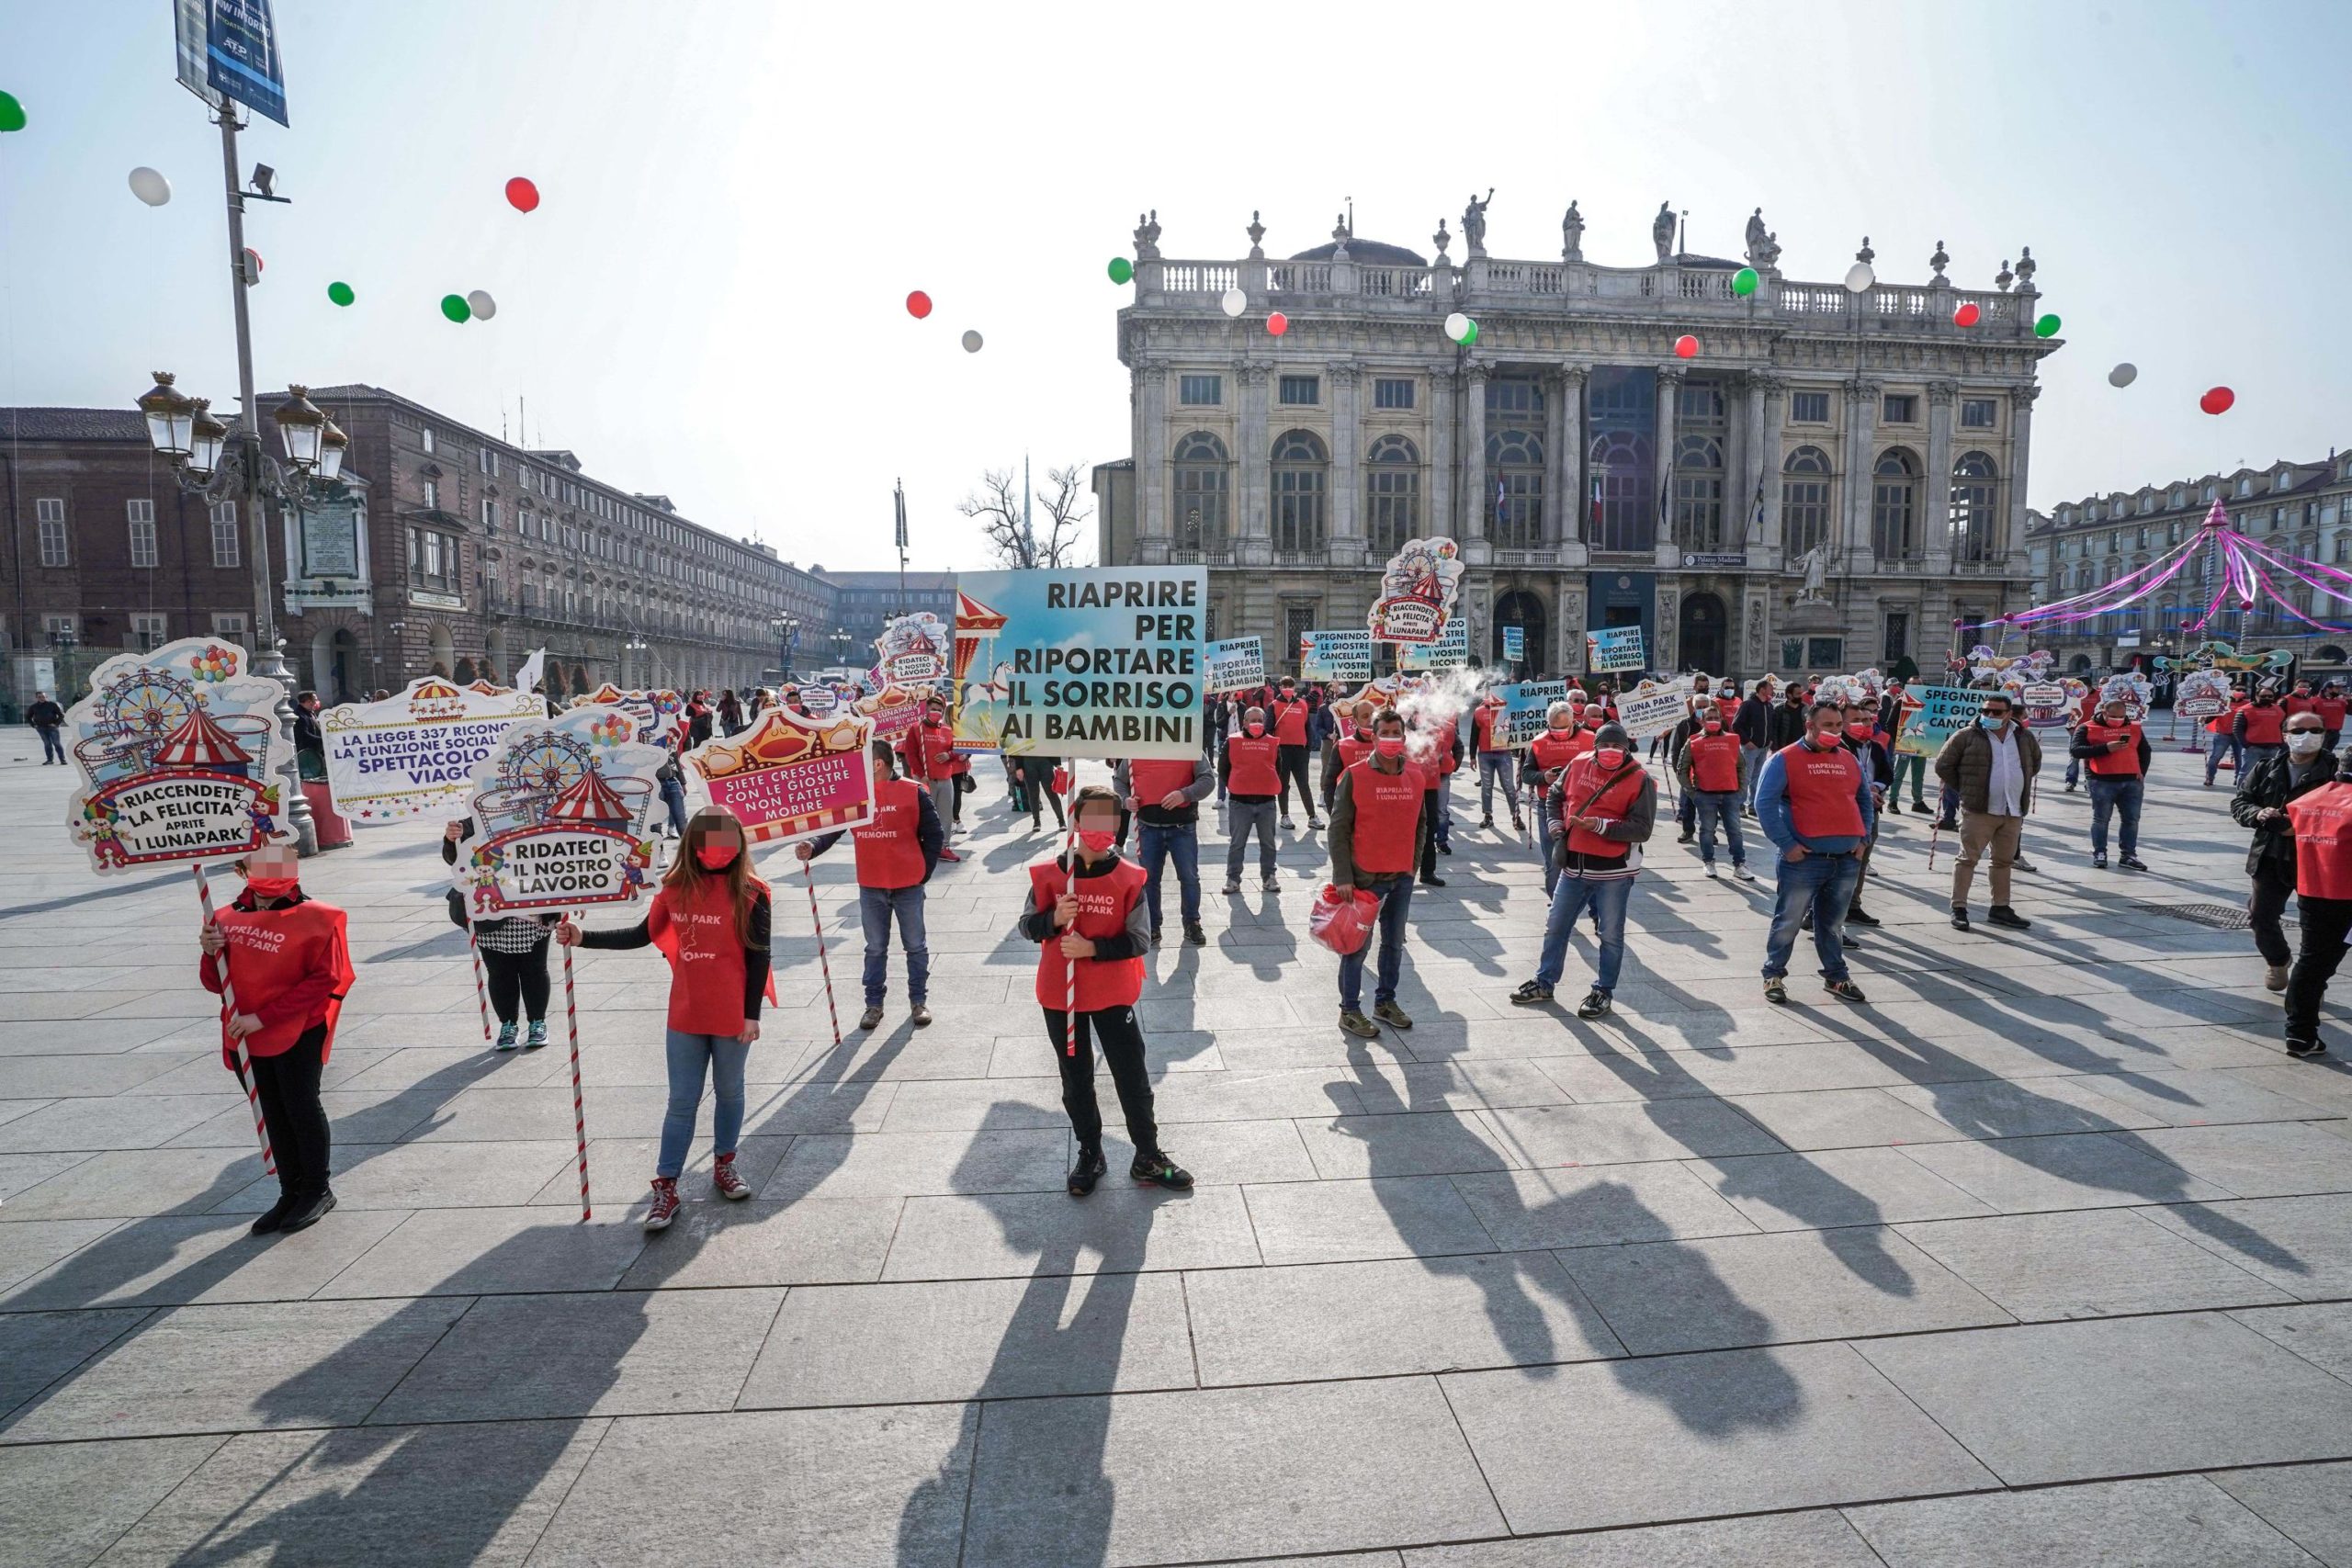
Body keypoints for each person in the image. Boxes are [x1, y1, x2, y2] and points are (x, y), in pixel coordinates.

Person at [560, 805, 774, 1231]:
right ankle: (667, 1185)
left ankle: (724, 1163)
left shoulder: (753, 891)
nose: (719, 848)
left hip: (733, 1015)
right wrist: (584, 939)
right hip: (687, 1012)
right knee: (681, 1102)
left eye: (727, 839)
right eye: (711, 839)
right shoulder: (673, 889)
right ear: (694, 842)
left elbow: (759, 957)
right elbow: (642, 935)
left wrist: (752, 1015)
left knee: (730, 1093)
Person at [1016, 784, 1193, 1193]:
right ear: (1075, 821)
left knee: (1131, 1075)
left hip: (1113, 993)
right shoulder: (1050, 874)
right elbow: (1027, 925)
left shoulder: (1129, 877)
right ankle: (1090, 1151)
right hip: (1063, 995)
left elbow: (1140, 940)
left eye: (1109, 820)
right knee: (1076, 1079)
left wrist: (1093, 947)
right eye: (1092, 818)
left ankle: (1147, 1155)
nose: (1101, 828)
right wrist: (1054, 920)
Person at [198, 842, 355, 1235]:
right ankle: (290, 1192)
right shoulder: (222, 919)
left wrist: (263, 1018)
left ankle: (317, 1189)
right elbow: (214, 983)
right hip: (243, 1035)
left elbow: (326, 979)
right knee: (270, 1111)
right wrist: (208, 951)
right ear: (241, 870)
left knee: (300, 1106)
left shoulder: (321, 917)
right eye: (257, 859)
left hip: (297, 1029)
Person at [1513, 720, 1655, 1017]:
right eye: (1605, 745)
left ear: (1627, 749)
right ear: (1595, 747)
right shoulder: (1578, 764)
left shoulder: (1639, 778)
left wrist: (1600, 826)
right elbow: (1554, 795)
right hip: (1574, 868)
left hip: (1614, 873)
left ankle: (1602, 991)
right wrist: (1555, 830)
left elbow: (1642, 828)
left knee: (1610, 934)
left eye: (1618, 746)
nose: (1611, 751)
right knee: (1556, 925)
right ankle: (1544, 981)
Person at [799, 739, 943, 1031]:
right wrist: (812, 846)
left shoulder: (913, 792)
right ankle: (873, 1005)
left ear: (877, 763)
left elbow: (935, 834)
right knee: (875, 948)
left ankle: (918, 1001)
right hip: (871, 885)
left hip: (908, 885)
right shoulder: (855, 794)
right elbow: (832, 829)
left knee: (915, 945)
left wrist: (922, 873)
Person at [1753, 701, 1874, 1006]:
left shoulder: (1848, 759)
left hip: (1846, 859)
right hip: (1803, 861)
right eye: (1828, 725)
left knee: (1832, 925)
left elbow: (1864, 800)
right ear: (1810, 725)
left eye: (1838, 725)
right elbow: (1763, 805)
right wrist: (1787, 844)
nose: (1835, 731)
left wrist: (1863, 839)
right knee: (1789, 921)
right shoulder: (1785, 759)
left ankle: (1836, 977)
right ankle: (1773, 975)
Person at [1329, 708, 1425, 1039]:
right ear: (1373, 736)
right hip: (1364, 879)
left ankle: (1385, 1002)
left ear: (1404, 737)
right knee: (1356, 948)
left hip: (1401, 877)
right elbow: (1338, 829)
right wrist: (1342, 875)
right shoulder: (1354, 775)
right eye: (1384, 733)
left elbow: (1421, 823)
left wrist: (1413, 864)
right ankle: (1349, 1011)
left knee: (1394, 945)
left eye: (1396, 734)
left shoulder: (1415, 774)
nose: (1390, 740)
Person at [2233, 708, 2335, 994]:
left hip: (2319, 859)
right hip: (2271, 854)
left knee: (2316, 925)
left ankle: (2311, 981)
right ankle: (2278, 960)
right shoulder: (2266, 768)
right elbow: (2240, 803)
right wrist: (2258, 814)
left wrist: (2301, 825)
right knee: (2260, 916)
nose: (2308, 737)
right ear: (2285, 735)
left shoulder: (2336, 772)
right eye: (2300, 731)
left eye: (2315, 731)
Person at [444, 818, 558, 1049]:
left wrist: (576, 892)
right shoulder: (473, 822)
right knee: (499, 973)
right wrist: (450, 839)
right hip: (489, 914)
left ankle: (537, 1022)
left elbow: (560, 854)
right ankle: (508, 1025)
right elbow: (455, 860)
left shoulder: (540, 813)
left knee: (534, 970)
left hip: (532, 905)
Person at [1936, 689, 2041, 932]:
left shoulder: (2024, 737)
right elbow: (1944, 765)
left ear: (2008, 714)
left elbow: (2034, 763)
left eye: (1996, 711)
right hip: (1979, 810)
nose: (1990, 715)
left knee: (2003, 861)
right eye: (1986, 711)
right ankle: (1959, 907)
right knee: (1967, 859)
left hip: (2012, 810)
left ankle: (2000, 907)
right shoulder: (1966, 736)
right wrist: (1968, 788)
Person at [1114, 746, 1216, 946]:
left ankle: (1192, 923)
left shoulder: (1189, 746)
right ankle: (1152, 926)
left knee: (1189, 878)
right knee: (1149, 880)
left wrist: (1184, 794)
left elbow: (1208, 780)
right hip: (1148, 828)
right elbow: (1119, 780)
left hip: (1182, 827)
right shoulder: (1137, 750)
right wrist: (1126, 800)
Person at [2281, 776, 2352, 1059]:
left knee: (2311, 964)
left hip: (2313, 888)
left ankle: (2299, 1034)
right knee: (2316, 967)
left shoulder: (2310, 800)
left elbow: (2285, 826)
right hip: (2346, 893)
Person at [2072, 694, 2152, 870]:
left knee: (2131, 820)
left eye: (2121, 716)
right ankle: (2100, 853)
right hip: (2101, 780)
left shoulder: (2134, 727)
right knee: (2101, 819)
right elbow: (2076, 751)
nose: (2118, 720)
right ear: (2104, 712)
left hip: (2131, 781)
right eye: (2114, 716)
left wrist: (2141, 773)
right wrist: (2105, 748)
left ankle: (2128, 855)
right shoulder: (2086, 728)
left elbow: (2145, 751)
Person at [1676, 702, 1753, 880]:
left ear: (1721, 720)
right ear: (1702, 722)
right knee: (1707, 830)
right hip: (1705, 795)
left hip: (1731, 795)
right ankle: (1709, 862)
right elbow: (1682, 769)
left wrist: (1741, 790)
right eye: (1709, 718)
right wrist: (1692, 793)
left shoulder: (1732, 740)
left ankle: (1739, 864)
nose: (1713, 721)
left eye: (1716, 718)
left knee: (1735, 831)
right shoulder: (1693, 741)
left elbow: (1741, 766)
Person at [1527, 699, 1594, 897]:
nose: (1559, 732)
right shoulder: (1539, 742)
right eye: (1554, 728)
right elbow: (1526, 773)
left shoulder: (1591, 740)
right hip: (1549, 807)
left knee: (1586, 860)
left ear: (1573, 722)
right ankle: (1556, 905)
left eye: (1563, 727)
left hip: (1582, 807)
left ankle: (1585, 902)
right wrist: (1543, 777)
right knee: (1554, 861)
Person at [1221, 705, 1283, 893]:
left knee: (1269, 842)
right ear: (1244, 722)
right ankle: (1233, 879)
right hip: (1240, 802)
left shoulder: (1273, 742)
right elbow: (1223, 768)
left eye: (1260, 720)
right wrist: (1235, 785)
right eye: (1253, 720)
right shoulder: (1232, 741)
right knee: (1237, 843)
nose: (1257, 723)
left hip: (1266, 802)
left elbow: (1277, 768)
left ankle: (1269, 877)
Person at [899, 695, 963, 862]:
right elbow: (911, 754)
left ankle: (944, 846)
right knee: (923, 815)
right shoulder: (916, 729)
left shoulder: (947, 730)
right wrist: (921, 775)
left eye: (939, 710)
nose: (936, 712)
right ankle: (922, 846)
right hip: (925, 780)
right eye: (933, 709)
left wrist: (948, 755)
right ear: (926, 710)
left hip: (945, 779)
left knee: (946, 815)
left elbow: (958, 749)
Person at [1415, 704, 1462, 886]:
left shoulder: (1440, 730)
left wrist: (1452, 765)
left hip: (1431, 784)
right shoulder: (1404, 730)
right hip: (1409, 785)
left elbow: (1455, 747)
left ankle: (1427, 872)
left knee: (1430, 825)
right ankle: (1402, 873)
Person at [1269, 677, 1321, 830]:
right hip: (1282, 750)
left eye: (1290, 686)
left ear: (1294, 687)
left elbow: (1308, 727)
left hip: (1300, 750)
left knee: (1304, 784)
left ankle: (1312, 816)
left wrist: (1308, 747)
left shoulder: (1302, 704)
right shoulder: (1274, 705)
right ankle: (1285, 815)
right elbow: (1268, 729)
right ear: (1280, 687)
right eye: (1284, 685)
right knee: (1283, 784)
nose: (1287, 688)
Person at [1471, 689, 1523, 831]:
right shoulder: (1479, 712)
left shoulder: (1506, 710)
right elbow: (1474, 734)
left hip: (1501, 753)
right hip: (1487, 754)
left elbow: (1517, 730)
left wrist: (1521, 747)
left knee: (1506, 787)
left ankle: (1514, 816)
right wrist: (1471, 756)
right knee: (1490, 786)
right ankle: (1491, 815)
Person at [1734, 677, 1773, 813]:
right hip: (1750, 747)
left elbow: (1771, 725)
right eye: (1770, 688)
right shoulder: (1748, 704)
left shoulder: (1768, 705)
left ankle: (1752, 806)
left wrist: (1770, 740)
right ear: (1762, 690)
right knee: (1746, 777)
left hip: (1763, 747)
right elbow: (1736, 725)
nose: (1772, 691)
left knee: (1758, 778)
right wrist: (1746, 741)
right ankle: (1739, 805)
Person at [2235, 686, 2289, 779]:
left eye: (2270, 696)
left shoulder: (2279, 710)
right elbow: (2237, 729)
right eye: (2263, 696)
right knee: (2246, 774)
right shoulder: (2245, 710)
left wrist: (2282, 744)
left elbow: (2283, 727)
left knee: (2270, 775)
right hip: (2253, 749)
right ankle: (2241, 793)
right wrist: (2246, 745)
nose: (2267, 698)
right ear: (2257, 696)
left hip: (2273, 748)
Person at [2206, 690, 2249, 785]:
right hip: (2223, 734)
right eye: (2238, 689)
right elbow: (2211, 716)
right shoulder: (2222, 703)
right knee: (2215, 757)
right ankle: (2210, 778)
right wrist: (2204, 718)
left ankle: (2239, 780)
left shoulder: (2248, 704)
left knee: (2241, 759)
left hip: (2240, 735)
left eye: (2243, 690)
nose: (2241, 692)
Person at [26, 690, 64, 765]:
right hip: (41, 728)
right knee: (47, 744)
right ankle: (50, 760)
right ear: (36, 698)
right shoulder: (34, 707)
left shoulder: (52, 705)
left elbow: (61, 715)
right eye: (39, 697)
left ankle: (62, 760)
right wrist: (34, 725)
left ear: (46, 697)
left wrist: (56, 724)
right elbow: (28, 717)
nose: (41, 698)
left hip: (52, 728)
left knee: (57, 743)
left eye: (43, 696)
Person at [2319, 682, 2349, 751]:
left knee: (2329, 753)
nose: (2340, 690)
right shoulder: (2316, 700)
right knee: (2320, 753)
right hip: (2321, 732)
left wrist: (2349, 700)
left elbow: (2350, 711)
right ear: (2328, 689)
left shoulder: (2342, 701)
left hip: (2335, 732)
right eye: (2337, 688)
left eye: (2341, 688)